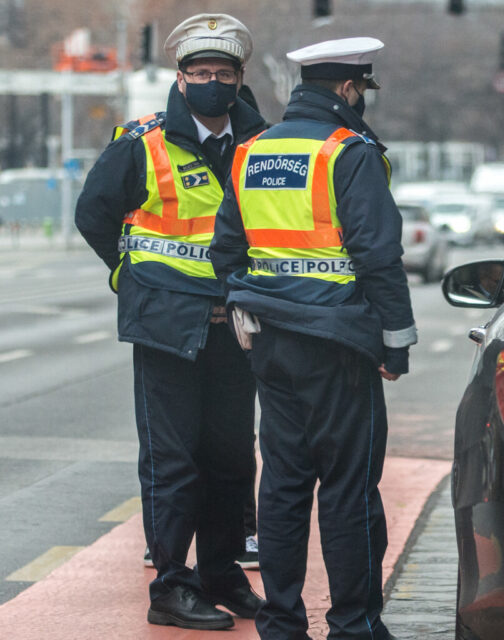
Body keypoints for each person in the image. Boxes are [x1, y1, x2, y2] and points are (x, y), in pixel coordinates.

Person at [210, 36, 415, 640]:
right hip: (340, 346)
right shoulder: (347, 152)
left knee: (282, 486)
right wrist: (395, 341)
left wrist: (246, 302)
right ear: (350, 89)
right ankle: (353, 625)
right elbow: (378, 255)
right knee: (349, 490)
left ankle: (280, 623)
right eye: (361, 91)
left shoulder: (251, 150)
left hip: (272, 345)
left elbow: (226, 251)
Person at [75, 13, 266, 631]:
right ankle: (170, 586)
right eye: (199, 71)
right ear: (181, 79)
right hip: (166, 326)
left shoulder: (262, 144)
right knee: (173, 460)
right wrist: (126, 274)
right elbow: (94, 214)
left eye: (223, 72)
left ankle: (220, 573)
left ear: (240, 79)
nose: (211, 81)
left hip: (236, 326)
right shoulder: (142, 141)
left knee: (232, 459)